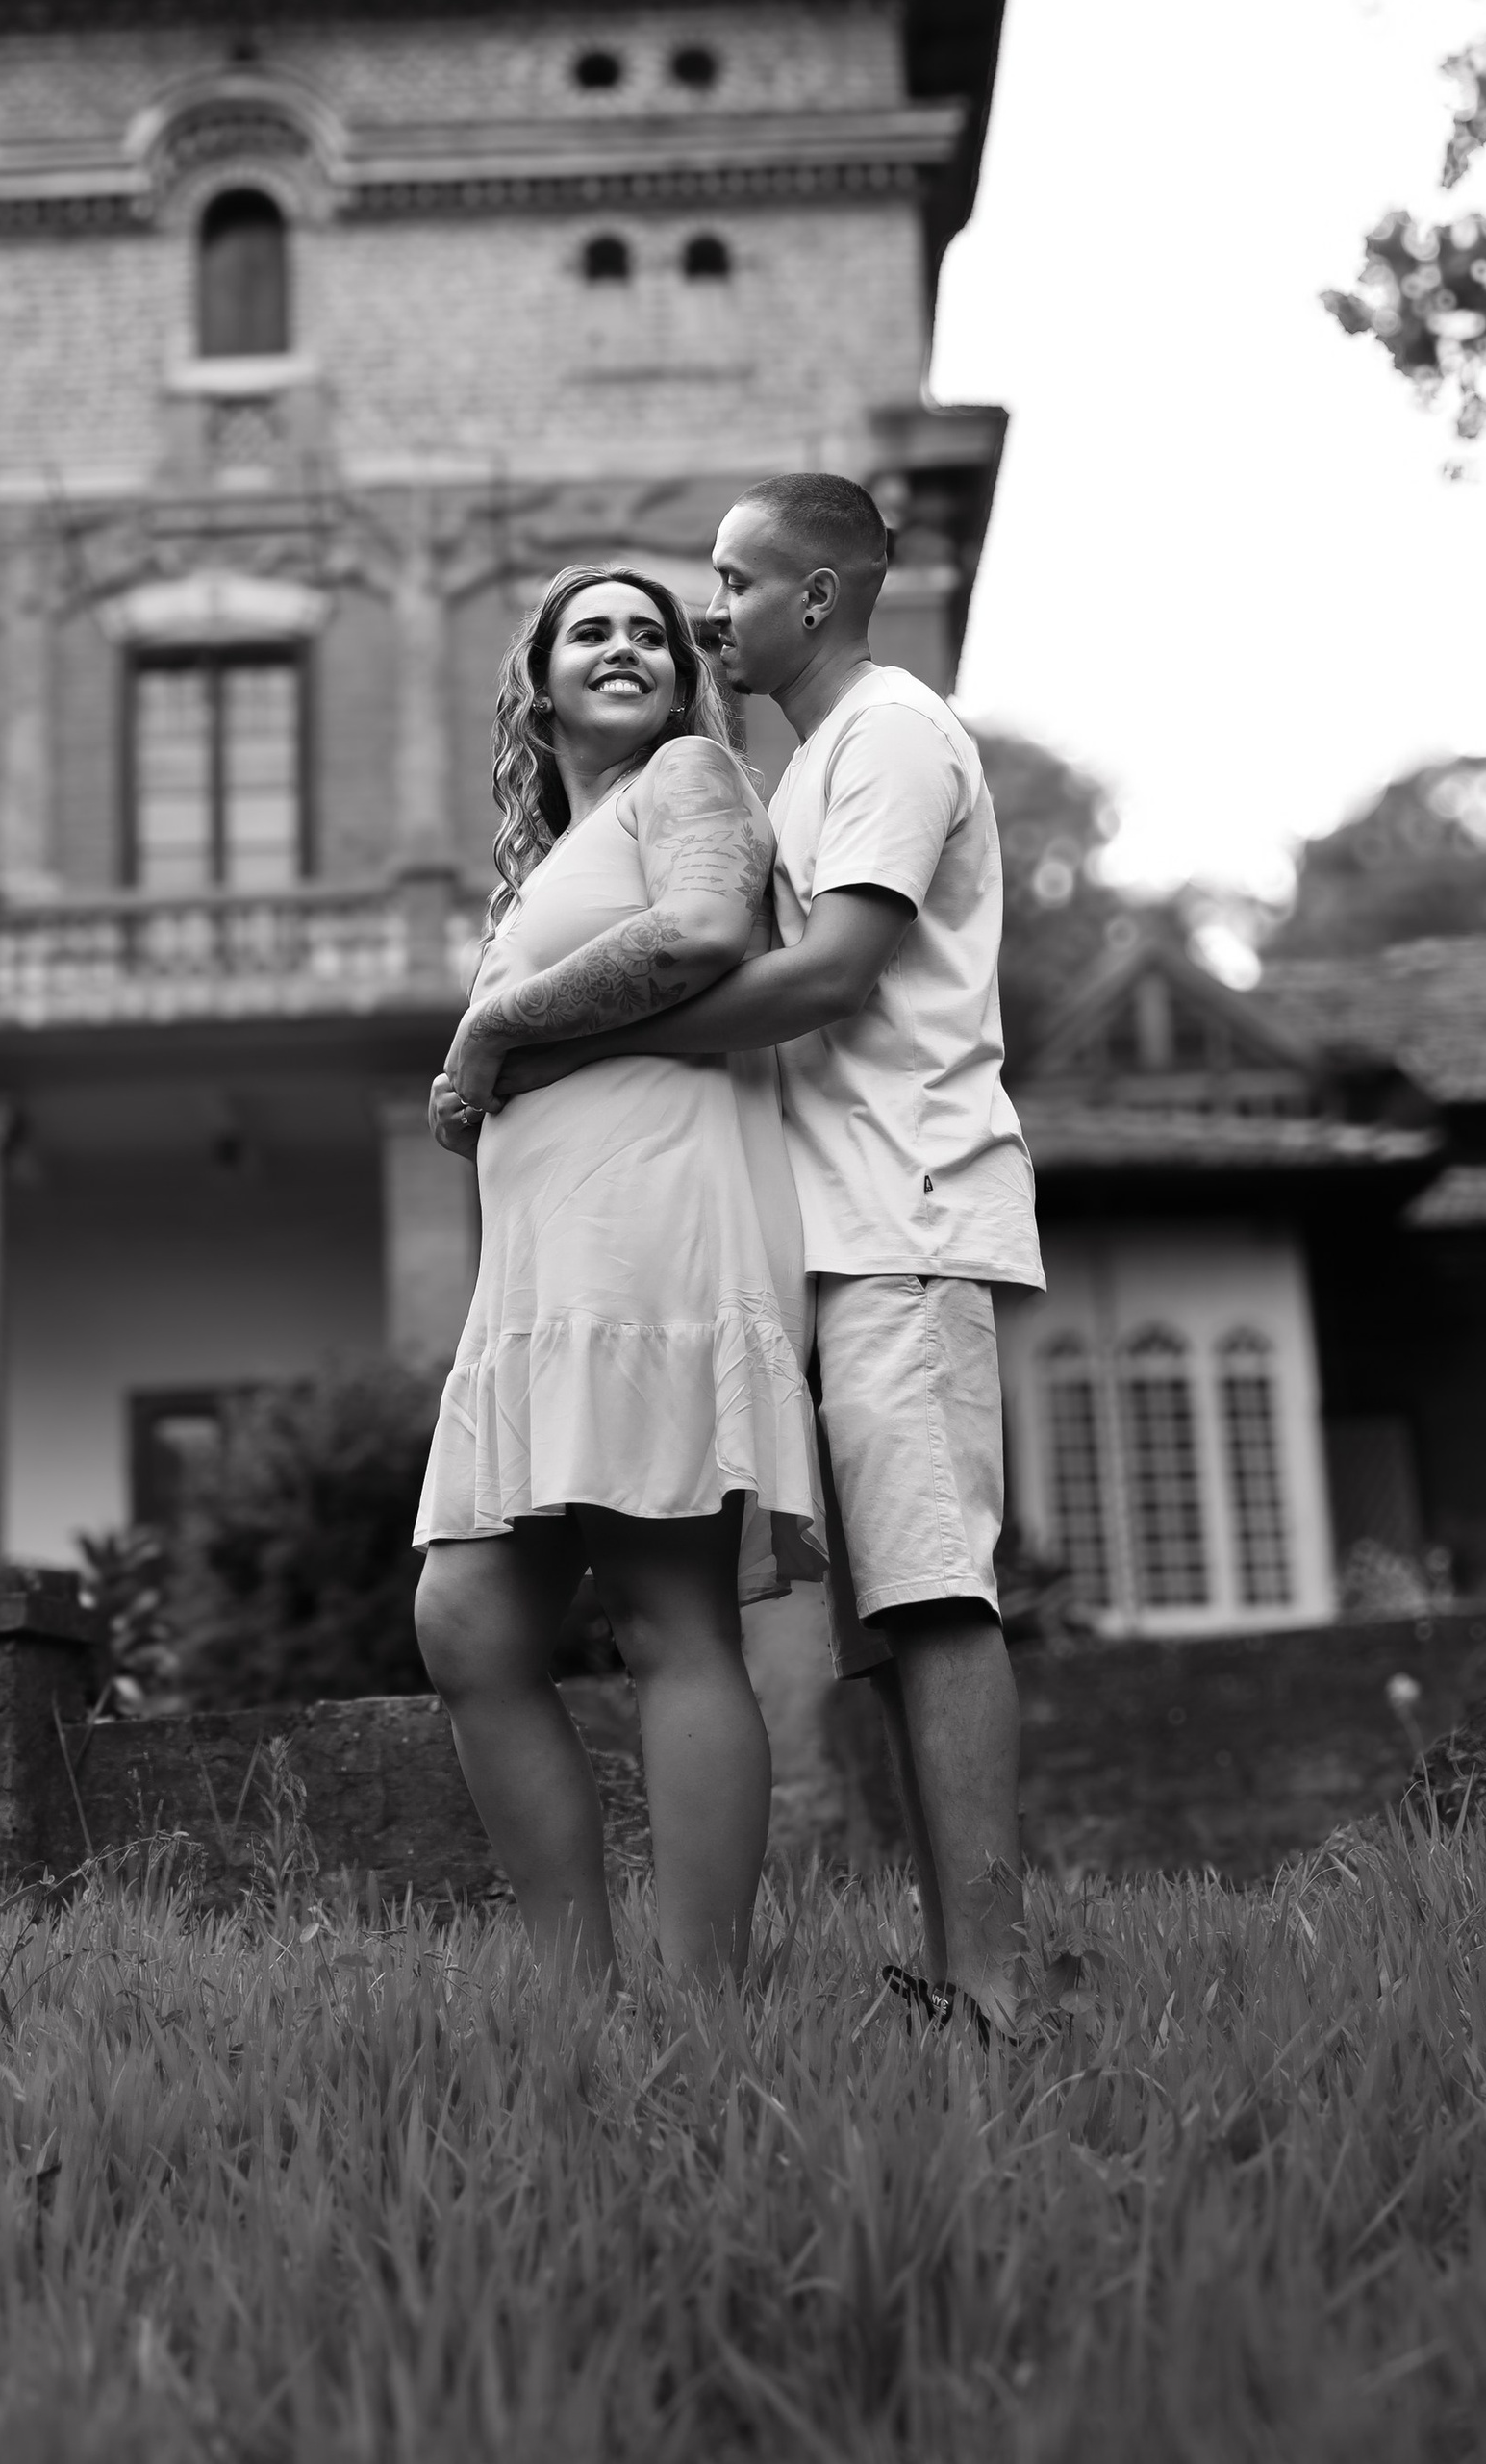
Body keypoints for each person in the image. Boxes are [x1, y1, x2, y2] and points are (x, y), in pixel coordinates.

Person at [491, 475, 1046, 2036]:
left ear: (813, 596)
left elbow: (832, 977)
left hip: (906, 1210)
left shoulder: (891, 734)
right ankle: (953, 1973)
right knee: (888, 1616)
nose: (708, 611)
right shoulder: (799, 772)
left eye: (731, 583)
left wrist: (566, 1039)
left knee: (934, 1595)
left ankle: (995, 1989)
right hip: (829, 1225)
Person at [411, 563, 821, 1986]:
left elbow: (703, 934)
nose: (626, 645)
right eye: (590, 631)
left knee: (668, 1616)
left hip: (651, 1235)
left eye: (650, 632)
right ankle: (578, 2006)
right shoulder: (554, 857)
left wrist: (485, 1036)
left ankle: (703, 2012)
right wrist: (482, 1083)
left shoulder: (689, 776)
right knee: (469, 1623)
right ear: (537, 688)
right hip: (545, 1271)